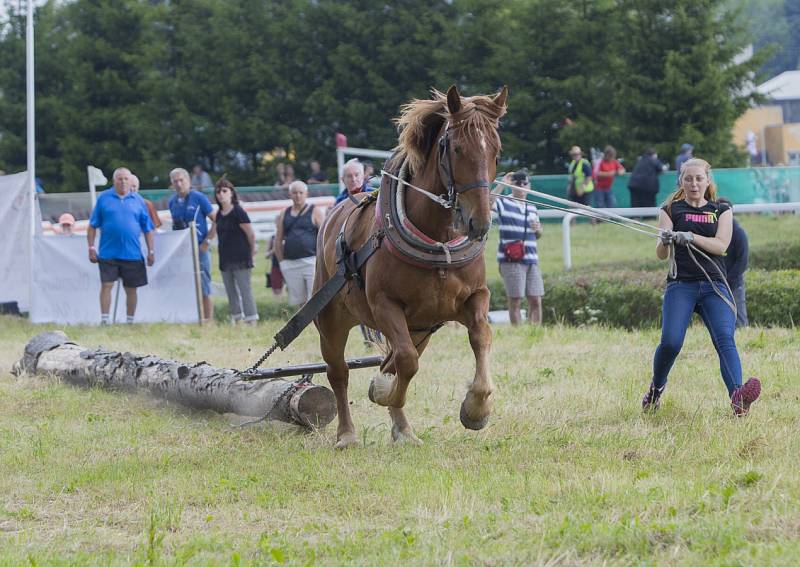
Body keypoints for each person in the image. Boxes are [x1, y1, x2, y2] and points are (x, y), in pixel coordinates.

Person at [643, 158, 760, 416]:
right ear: (681, 182)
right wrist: (665, 240)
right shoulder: (670, 210)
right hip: (681, 285)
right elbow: (661, 255)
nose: (694, 183)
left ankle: (738, 398)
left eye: (698, 178)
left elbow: (721, 245)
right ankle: (656, 389)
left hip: (714, 286)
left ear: (708, 181)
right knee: (671, 343)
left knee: (724, 340)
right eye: (688, 178)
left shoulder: (722, 210)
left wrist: (692, 236)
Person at [87, 167, 155, 325]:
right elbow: (92, 225)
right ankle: (105, 321)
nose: (123, 182)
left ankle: (130, 322)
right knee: (107, 285)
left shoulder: (138, 200)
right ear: (114, 180)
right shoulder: (104, 198)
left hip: (132, 253)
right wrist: (91, 247)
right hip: (108, 252)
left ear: (131, 181)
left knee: (131, 289)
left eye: (126, 179)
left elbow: (148, 229)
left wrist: (151, 250)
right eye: (120, 179)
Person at [491, 171, 544, 325]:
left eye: (524, 183)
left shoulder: (532, 208)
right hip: (510, 259)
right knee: (515, 299)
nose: (521, 187)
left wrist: (538, 229)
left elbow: (538, 235)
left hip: (531, 259)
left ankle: (535, 332)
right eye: (518, 184)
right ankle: (518, 333)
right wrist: (502, 184)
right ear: (512, 186)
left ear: (529, 185)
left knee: (536, 298)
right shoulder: (504, 203)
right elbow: (487, 201)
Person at [168, 167, 216, 321]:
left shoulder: (198, 198)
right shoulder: (172, 202)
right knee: (186, 284)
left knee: (204, 284)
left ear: (188, 181)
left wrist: (207, 241)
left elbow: (217, 219)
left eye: (181, 180)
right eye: (175, 181)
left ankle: (208, 319)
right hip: (183, 250)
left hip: (200, 247)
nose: (179, 184)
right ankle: (192, 315)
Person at [211, 178, 259, 325]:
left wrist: (252, 254)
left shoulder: (239, 211)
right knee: (230, 291)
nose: (221, 194)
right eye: (218, 191)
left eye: (224, 191)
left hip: (241, 257)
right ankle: (236, 317)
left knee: (245, 290)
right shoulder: (219, 213)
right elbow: (213, 232)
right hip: (225, 258)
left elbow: (250, 234)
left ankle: (251, 319)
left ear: (231, 193)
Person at [274, 180, 324, 306]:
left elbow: (324, 235)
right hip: (290, 262)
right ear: (290, 194)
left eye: (301, 192)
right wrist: (281, 262)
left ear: (306, 193)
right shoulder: (284, 213)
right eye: (295, 193)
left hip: (311, 260)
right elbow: (278, 239)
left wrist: (321, 259)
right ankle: (304, 325)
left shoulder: (315, 211)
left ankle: (316, 323)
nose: (298, 195)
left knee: (314, 297)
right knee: (298, 300)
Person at [718, 197, 749, 327]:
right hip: (717, 282)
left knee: (740, 320)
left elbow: (742, 262)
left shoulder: (739, 233)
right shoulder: (713, 231)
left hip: (734, 283)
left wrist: (728, 279)